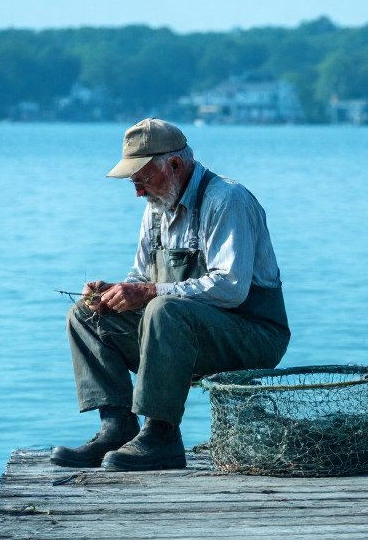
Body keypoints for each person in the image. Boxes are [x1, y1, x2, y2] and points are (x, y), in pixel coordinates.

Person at [51, 118, 290, 471]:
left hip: (253, 336)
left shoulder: (227, 200)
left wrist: (147, 292)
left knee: (163, 308)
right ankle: (118, 428)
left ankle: (161, 436)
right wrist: (113, 292)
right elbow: (141, 277)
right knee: (86, 314)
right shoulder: (157, 207)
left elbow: (231, 288)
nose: (138, 192)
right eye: (134, 183)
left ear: (174, 165)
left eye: (143, 179)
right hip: (183, 328)